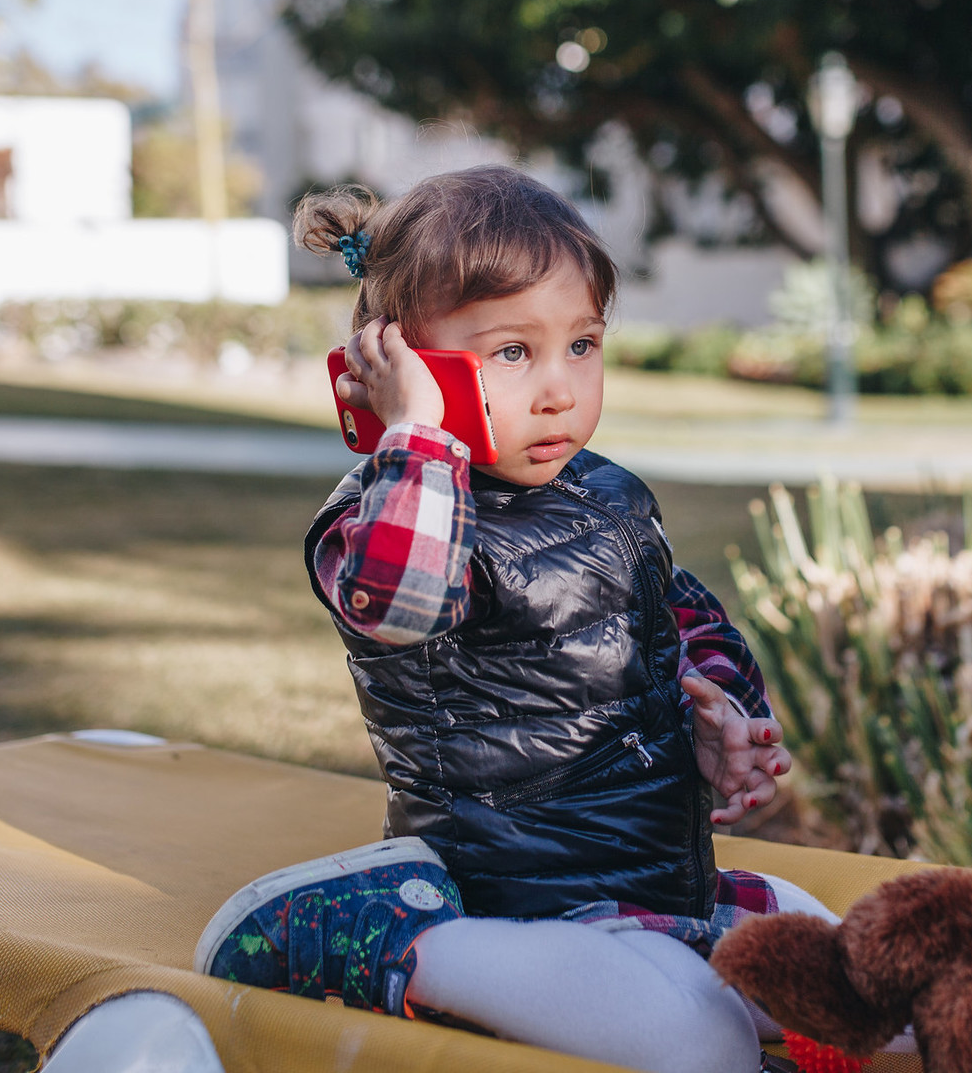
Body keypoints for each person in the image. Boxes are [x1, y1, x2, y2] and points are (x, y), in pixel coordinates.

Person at [195, 166, 839, 1073]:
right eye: (510, 353)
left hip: (658, 880)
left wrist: (721, 711)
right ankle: (389, 937)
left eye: (582, 345)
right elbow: (400, 606)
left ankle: (671, 971)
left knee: (857, 982)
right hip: (508, 896)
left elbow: (684, 615)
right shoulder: (384, 520)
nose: (558, 390)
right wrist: (416, 436)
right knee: (700, 1043)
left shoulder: (606, 494)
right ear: (399, 364)